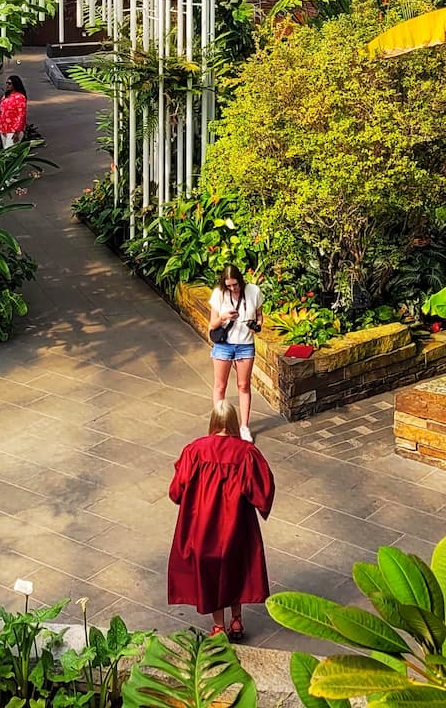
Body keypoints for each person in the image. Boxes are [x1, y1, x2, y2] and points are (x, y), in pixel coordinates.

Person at [168, 398, 275, 641]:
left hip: (203, 527)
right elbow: (263, 489)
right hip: (236, 526)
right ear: (235, 423)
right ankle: (237, 620)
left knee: (212, 572)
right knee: (236, 566)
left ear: (213, 422)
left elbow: (177, 490)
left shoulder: (194, 450)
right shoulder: (247, 453)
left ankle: (219, 626)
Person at [208, 264, 262, 437]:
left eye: (235, 285)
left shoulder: (253, 291)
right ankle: (219, 426)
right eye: (229, 286)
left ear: (241, 281)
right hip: (224, 344)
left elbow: (260, 316)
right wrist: (224, 317)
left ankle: (244, 427)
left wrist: (257, 325)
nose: (232, 288)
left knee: (244, 385)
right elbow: (212, 325)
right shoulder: (219, 294)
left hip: (245, 344)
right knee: (220, 385)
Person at [0, 75, 28, 148]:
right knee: (5, 152)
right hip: (3, 128)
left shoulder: (20, 97)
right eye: (6, 83)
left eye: (9, 83)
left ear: (15, 84)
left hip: (14, 130)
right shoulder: (5, 96)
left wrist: (17, 131)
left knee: (9, 152)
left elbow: (21, 115)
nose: (7, 85)